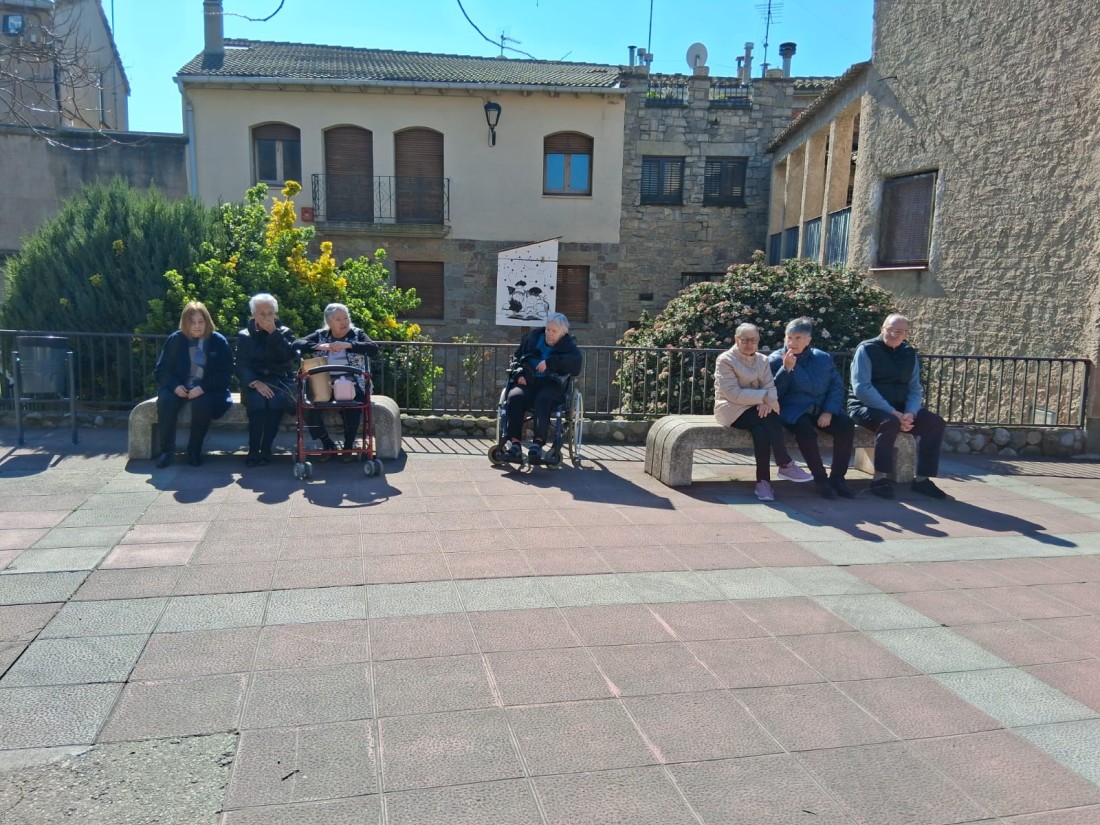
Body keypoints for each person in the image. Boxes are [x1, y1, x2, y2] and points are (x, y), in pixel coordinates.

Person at [847, 313, 948, 499]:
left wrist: (910, 413)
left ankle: (922, 480)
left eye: (899, 331)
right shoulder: (866, 349)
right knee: (890, 423)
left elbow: (915, 388)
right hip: (866, 407)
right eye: (890, 330)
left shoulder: (909, 353)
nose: (894, 334)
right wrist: (893, 412)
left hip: (900, 409)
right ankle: (879, 479)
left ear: (906, 334)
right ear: (882, 329)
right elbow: (862, 388)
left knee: (935, 423)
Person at [714, 323, 812, 501]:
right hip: (731, 409)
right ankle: (784, 463)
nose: (750, 344)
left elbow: (770, 386)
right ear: (736, 340)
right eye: (745, 340)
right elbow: (733, 393)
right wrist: (764, 399)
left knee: (761, 432)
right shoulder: (725, 360)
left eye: (754, 340)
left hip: (757, 409)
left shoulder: (762, 360)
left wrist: (765, 400)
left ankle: (763, 483)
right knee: (770, 417)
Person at [769, 317, 856, 499]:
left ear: (808, 340)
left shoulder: (822, 358)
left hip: (821, 408)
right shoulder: (776, 359)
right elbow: (774, 394)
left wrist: (829, 411)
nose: (792, 342)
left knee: (846, 425)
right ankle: (820, 480)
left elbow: (836, 386)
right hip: (793, 410)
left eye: (798, 338)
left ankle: (838, 479)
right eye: (789, 338)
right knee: (805, 431)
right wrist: (786, 370)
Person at [152, 301, 234, 468]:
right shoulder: (175, 340)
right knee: (166, 401)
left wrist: (202, 388)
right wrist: (175, 386)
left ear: (207, 321)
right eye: (192, 322)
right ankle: (167, 451)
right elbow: (161, 370)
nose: (197, 326)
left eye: (200, 322)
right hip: (179, 387)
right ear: (185, 323)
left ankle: (194, 451)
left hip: (207, 389)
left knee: (202, 404)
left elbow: (225, 374)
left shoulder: (218, 341)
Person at [295, 303, 379, 462]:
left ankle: (348, 446)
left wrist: (349, 345)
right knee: (307, 406)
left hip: (353, 385)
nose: (344, 322)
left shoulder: (356, 334)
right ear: (329, 322)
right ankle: (327, 444)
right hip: (323, 385)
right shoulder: (321, 335)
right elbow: (296, 344)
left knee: (353, 408)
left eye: (346, 318)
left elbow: (373, 348)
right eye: (338, 319)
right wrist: (320, 346)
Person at [503, 312, 583, 462]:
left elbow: (575, 365)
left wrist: (550, 363)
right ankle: (515, 444)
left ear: (563, 333)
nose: (549, 333)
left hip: (552, 384)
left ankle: (537, 444)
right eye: (548, 329)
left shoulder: (569, 346)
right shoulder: (532, 338)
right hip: (528, 381)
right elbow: (516, 357)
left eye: (554, 331)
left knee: (543, 399)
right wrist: (518, 373)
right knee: (514, 397)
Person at [237, 293, 297, 466]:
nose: (266, 317)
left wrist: (273, 334)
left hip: (279, 379)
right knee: (257, 404)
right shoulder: (244, 335)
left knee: (274, 402)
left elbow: (288, 357)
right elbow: (241, 364)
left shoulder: (285, 333)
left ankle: (266, 450)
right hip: (255, 381)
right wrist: (255, 382)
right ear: (253, 315)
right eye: (262, 314)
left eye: (270, 313)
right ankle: (253, 450)